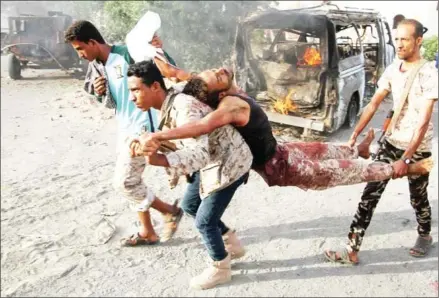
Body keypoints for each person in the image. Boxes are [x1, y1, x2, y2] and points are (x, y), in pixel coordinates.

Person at [133, 68, 433, 191]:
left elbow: (188, 78)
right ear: (217, 93)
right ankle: (402, 168)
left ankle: (358, 149)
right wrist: (158, 135)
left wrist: (168, 68)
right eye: (215, 75)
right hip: (284, 168)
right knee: (348, 171)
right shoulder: (227, 108)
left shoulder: (229, 91)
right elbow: (201, 124)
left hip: (284, 150)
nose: (219, 69)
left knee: (328, 149)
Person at [127, 60, 252, 290]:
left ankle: (220, 268)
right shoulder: (167, 103)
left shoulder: (182, 107)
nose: (132, 97)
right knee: (190, 205)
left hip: (229, 163)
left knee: (204, 221)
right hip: (214, 163)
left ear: (155, 87)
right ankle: (231, 244)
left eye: (136, 90)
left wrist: (161, 159)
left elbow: (200, 154)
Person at [324, 19, 438, 264]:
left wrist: (406, 159)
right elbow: (373, 104)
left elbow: (423, 122)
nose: (399, 44)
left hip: (417, 147)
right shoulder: (392, 69)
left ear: (418, 40)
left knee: (418, 197)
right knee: (370, 194)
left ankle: (425, 235)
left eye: (405, 39)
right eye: (396, 39)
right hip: (392, 141)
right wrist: (354, 136)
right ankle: (352, 249)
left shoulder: (429, 73)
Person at [64, 20, 183, 246]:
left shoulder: (127, 53)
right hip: (125, 128)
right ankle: (148, 230)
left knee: (125, 182)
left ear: (92, 42)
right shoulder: (97, 67)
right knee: (132, 180)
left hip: (144, 130)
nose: (79, 54)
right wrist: (100, 93)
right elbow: (113, 100)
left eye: (80, 48)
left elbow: (168, 69)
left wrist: (158, 49)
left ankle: (169, 211)